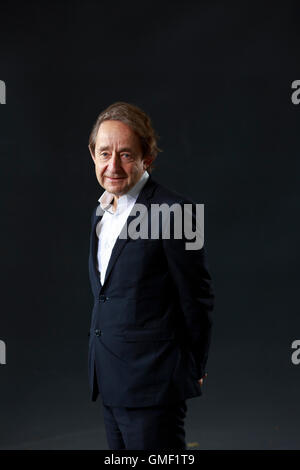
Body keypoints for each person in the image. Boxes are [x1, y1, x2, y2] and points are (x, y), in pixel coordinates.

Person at [87, 101, 215, 450]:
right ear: (93, 156)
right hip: (110, 380)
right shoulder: (101, 213)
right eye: (104, 153)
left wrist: (194, 364)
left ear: (148, 158)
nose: (112, 165)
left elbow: (197, 299)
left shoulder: (177, 211)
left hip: (154, 385)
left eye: (126, 154)